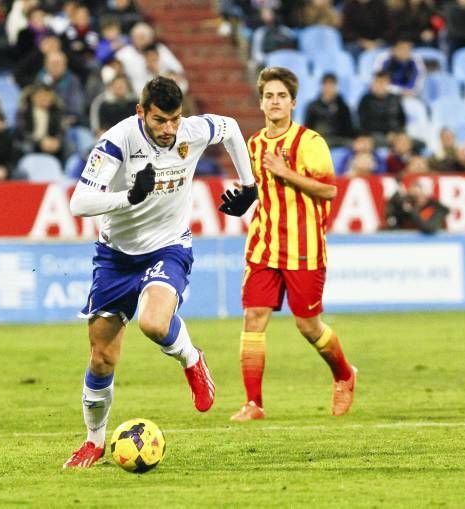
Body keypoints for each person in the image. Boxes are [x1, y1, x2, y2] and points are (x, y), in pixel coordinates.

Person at [63, 76, 257, 468]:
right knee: (102, 357)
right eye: (159, 121)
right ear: (141, 113)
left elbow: (232, 130)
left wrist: (249, 185)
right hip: (116, 256)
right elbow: (79, 202)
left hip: (168, 246)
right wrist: (128, 197)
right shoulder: (117, 142)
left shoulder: (192, 131)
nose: (169, 130)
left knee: (153, 323)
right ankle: (94, 442)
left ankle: (191, 359)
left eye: (174, 119)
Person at [227, 66, 356, 422]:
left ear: (293, 102)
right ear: (261, 102)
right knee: (254, 318)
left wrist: (285, 173)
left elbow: (329, 190)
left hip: (305, 246)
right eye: (269, 96)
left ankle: (344, 374)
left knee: (308, 325)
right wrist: (242, 201)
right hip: (263, 244)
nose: (275, 101)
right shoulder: (252, 145)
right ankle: (254, 404)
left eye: (281, 96)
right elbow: (255, 191)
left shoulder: (310, 143)